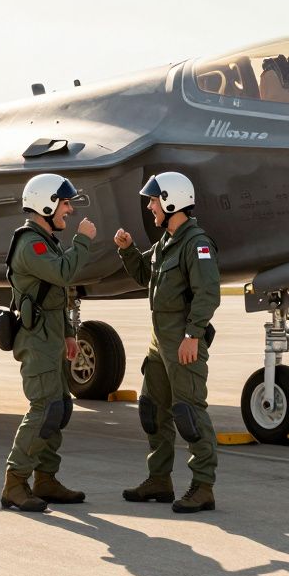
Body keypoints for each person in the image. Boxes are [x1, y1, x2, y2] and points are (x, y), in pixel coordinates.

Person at [114, 172, 221, 513]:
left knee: (189, 412)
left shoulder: (196, 243)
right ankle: (159, 480)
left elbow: (208, 294)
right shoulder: (165, 244)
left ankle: (203, 487)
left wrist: (193, 335)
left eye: (154, 200)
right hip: (159, 341)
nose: (150, 206)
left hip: (182, 339)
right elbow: (145, 275)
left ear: (172, 201)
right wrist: (128, 250)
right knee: (152, 410)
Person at [1, 173, 97, 511]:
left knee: (60, 408)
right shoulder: (31, 244)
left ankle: (46, 479)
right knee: (44, 409)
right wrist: (83, 241)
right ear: (46, 203)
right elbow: (64, 274)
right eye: (65, 202)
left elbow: (58, 293)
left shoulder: (47, 240)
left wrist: (70, 334)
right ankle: (15, 482)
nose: (69, 210)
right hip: (38, 340)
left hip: (53, 337)